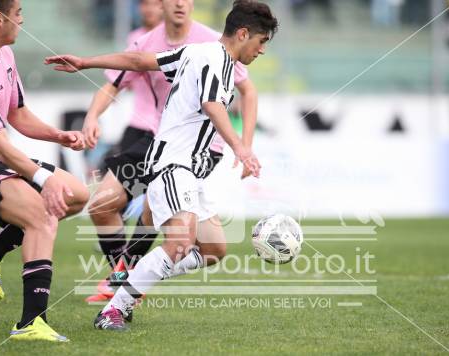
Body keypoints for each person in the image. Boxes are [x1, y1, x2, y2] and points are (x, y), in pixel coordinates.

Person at [46, 0, 278, 330]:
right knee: (179, 242)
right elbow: (211, 104)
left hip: (193, 170)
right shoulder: (211, 57)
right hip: (174, 163)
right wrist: (241, 147)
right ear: (243, 34)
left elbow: (139, 60)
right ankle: (116, 308)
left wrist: (87, 61)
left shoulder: (201, 53)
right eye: (262, 42)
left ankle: (135, 280)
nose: (262, 50)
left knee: (213, 249)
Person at [83, 0, 259, 302]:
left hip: (199, 150)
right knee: (105, 205)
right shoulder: (148, 41)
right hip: (159, 142)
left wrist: (246, 144)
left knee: (212, 247)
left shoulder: (212, 42)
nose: (179, 3)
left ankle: (126, 280)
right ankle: (123, 286)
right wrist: (90, 111)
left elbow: (247, 91)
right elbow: (127, 71)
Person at [0, 0, 89, 341]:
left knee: (77, 195)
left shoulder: (5, 56)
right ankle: (31, 323)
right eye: (18, 14)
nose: (22, 20)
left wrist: (57, 135)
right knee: (42, 215)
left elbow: (18, 115)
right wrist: (43, 180)